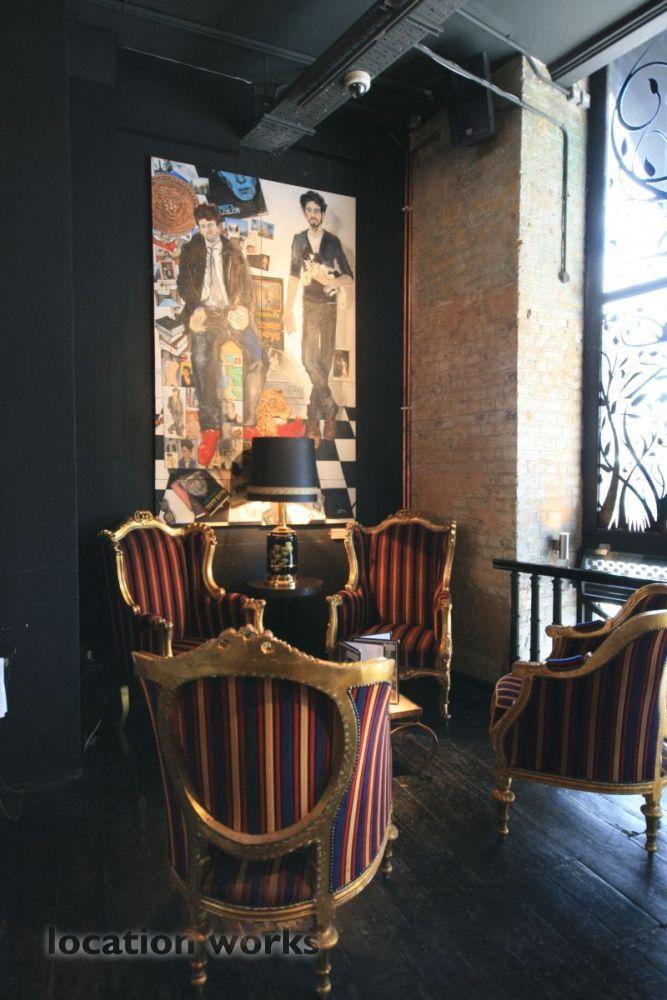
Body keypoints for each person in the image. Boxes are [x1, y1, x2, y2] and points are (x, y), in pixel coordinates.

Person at [177, 202, 268, 466]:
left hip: (231, 313)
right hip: (205, 315)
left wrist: (244, 310)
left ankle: (249, 424)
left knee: (259, 357)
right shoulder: (190, 250)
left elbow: (247, 288)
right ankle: (210, 428)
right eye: (202, 226)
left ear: (219, 225)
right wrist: (195, 309)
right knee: (202, 358)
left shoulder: (233, 250)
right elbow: (184, 283)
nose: (207, 230)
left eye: (211, 225)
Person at [284, 190, 354, 448]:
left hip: (330, 306)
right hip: (310, 306)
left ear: (322, 214)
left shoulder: (333, 242)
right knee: (308, 359)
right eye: (309, 210)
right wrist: (286, 310)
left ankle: (313, 421)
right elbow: (294, 276)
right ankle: (330, 407)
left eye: (317, 210)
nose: (313, 214)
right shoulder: (298, 241)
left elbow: (349, 277)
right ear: (305, 213)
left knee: (323, 363)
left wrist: (327, 280)